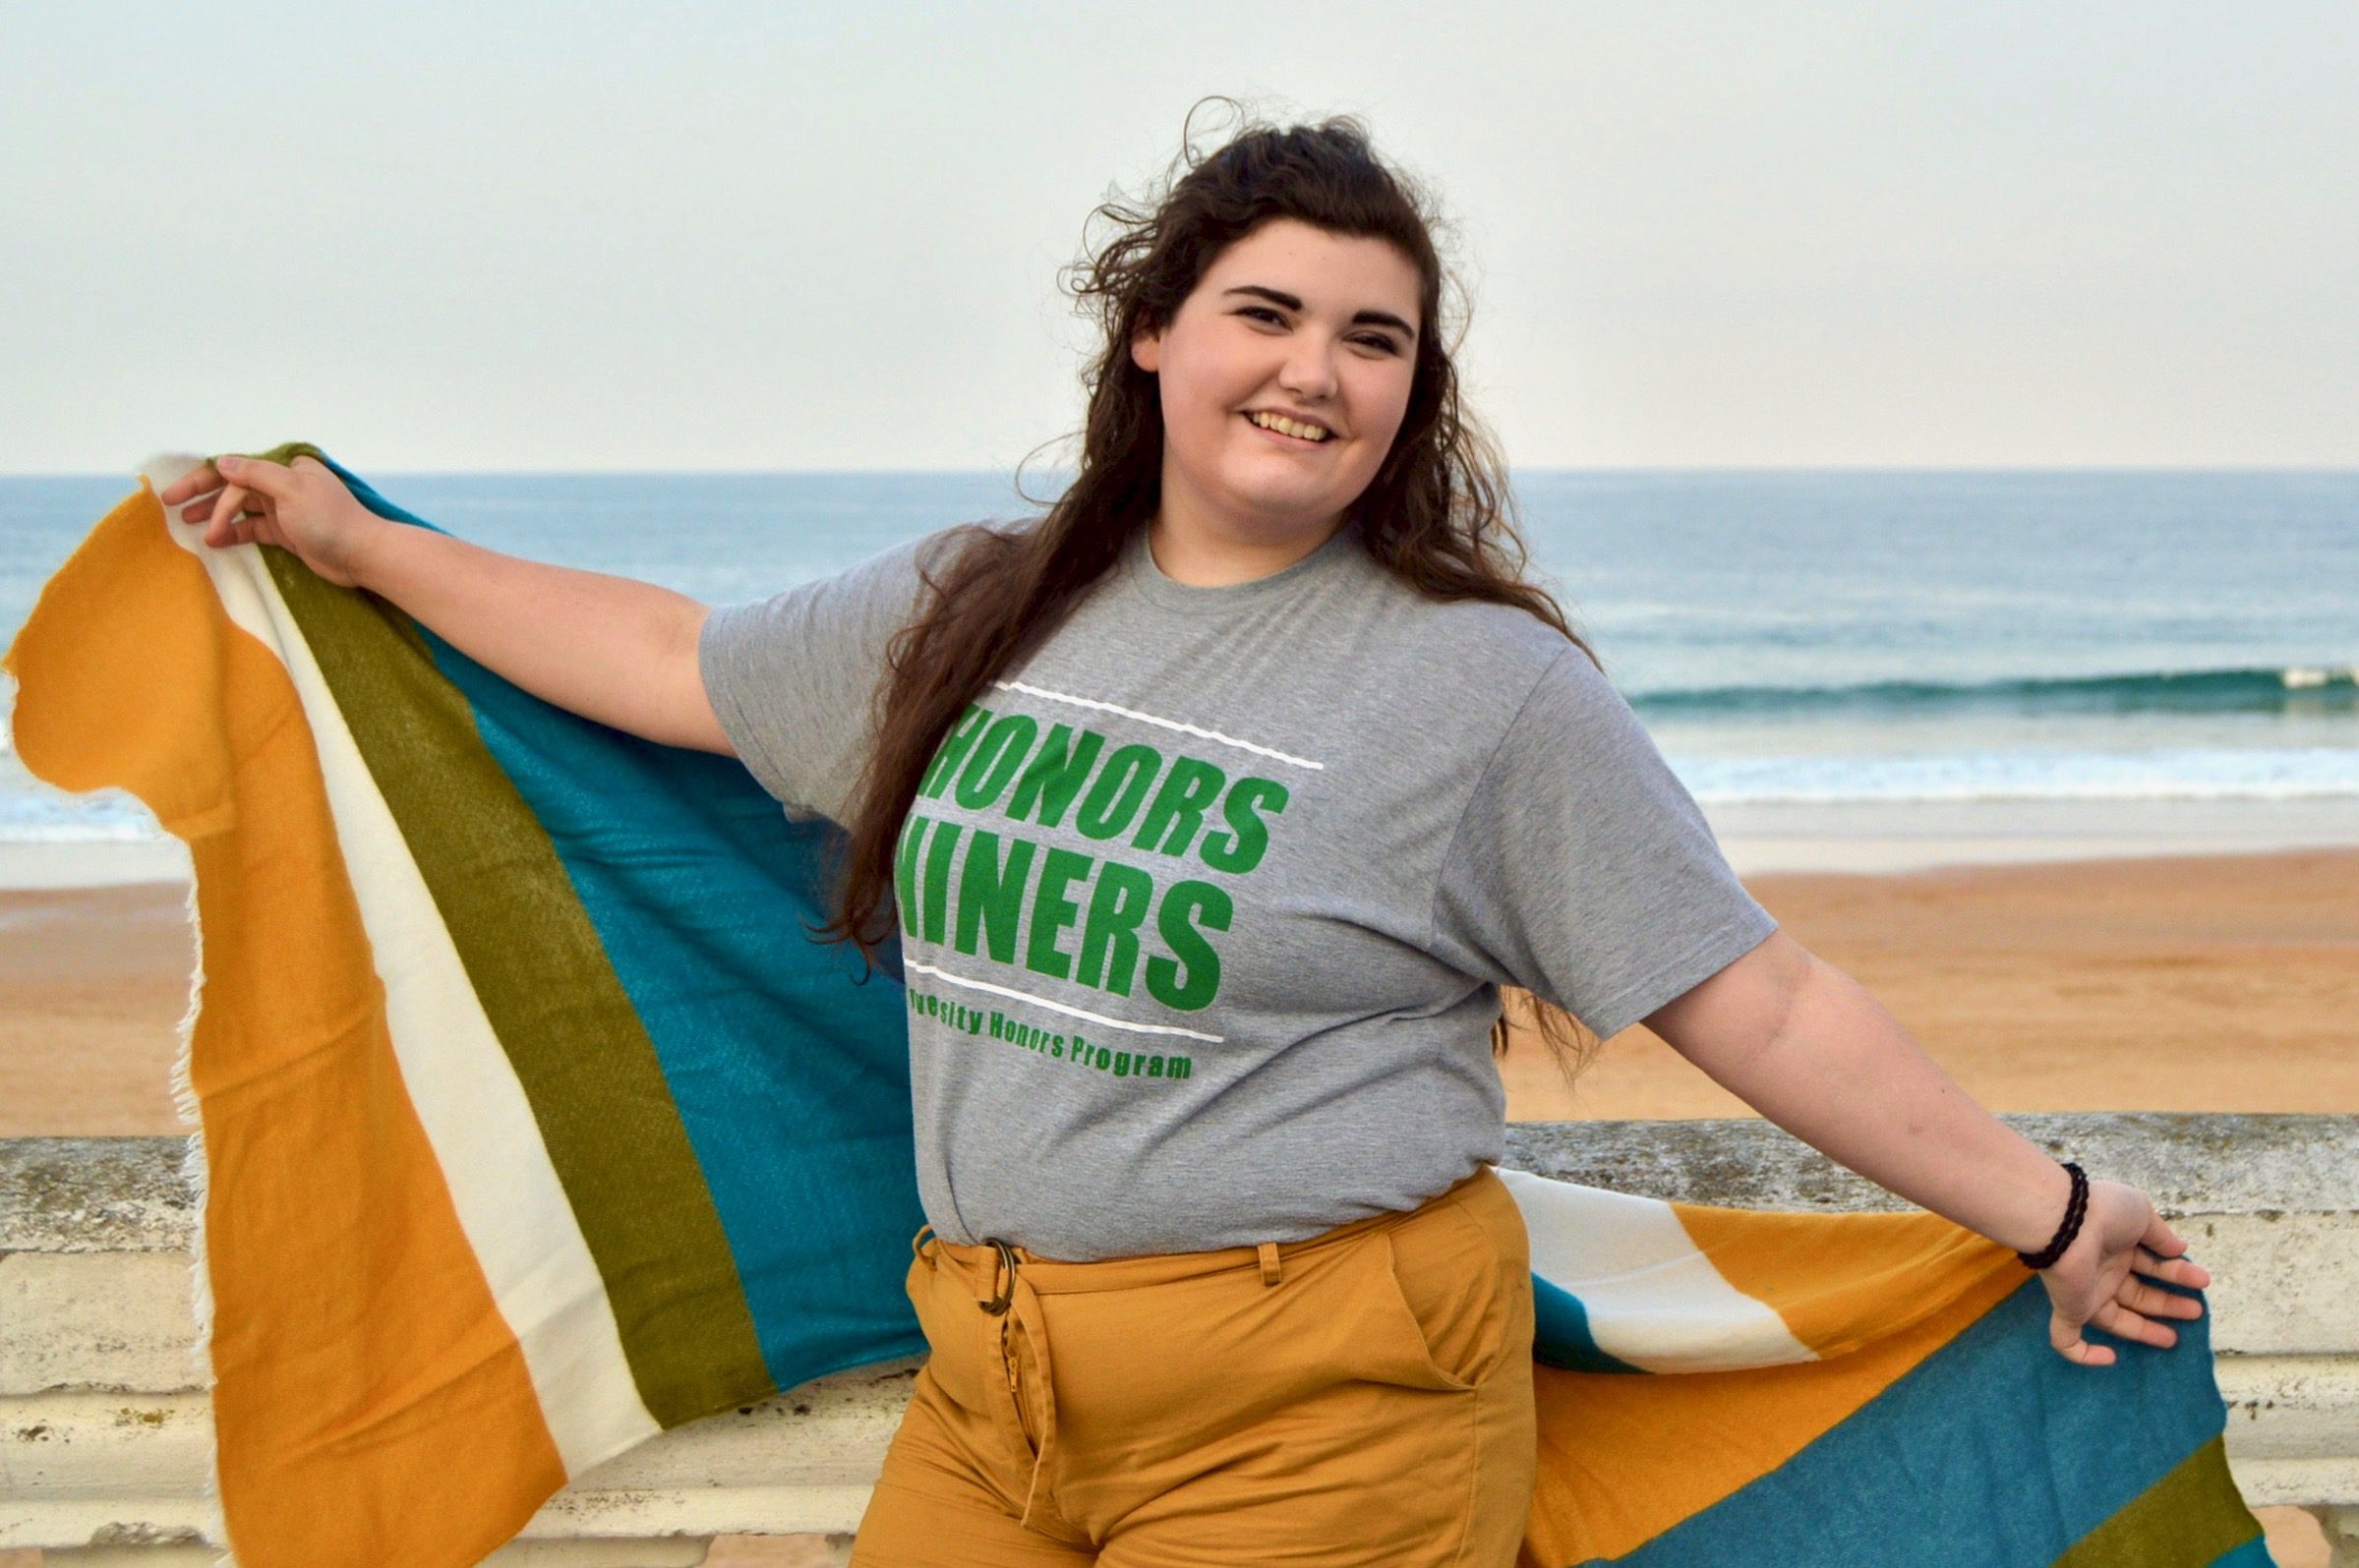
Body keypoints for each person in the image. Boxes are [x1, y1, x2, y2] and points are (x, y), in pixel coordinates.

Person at [158, 101, 2210, 1568]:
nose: (1313, 372)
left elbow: (1746, 987)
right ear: (1152, 335)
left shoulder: (1478, 692)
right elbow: (674, 662)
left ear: (1416, 399)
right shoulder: (981, 601)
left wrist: (2048, 1206)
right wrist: (355, 542)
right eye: (1267, 313)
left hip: (1323, 1418)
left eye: (1374, 340)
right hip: (997, 1391)